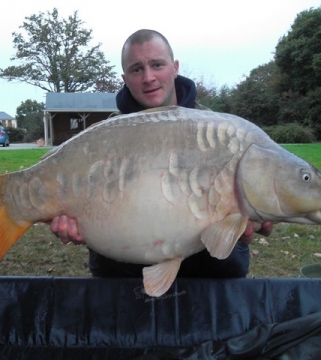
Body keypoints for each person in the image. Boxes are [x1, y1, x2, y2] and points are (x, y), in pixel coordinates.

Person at [50, 29, 273, 278]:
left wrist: (259, 211)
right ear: (125, 78)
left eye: (157, 65)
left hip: (210, 265)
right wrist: (75, 226)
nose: (148, 77)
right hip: (123, 261)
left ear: (175, 67)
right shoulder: (105, 136)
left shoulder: (216, 129)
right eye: (136, 69)